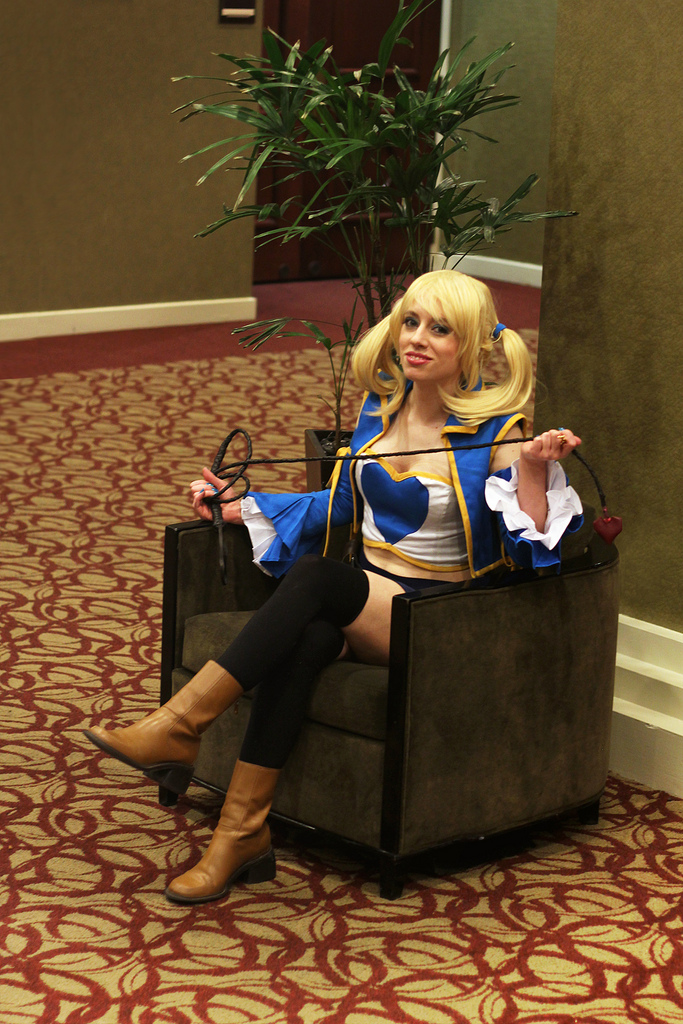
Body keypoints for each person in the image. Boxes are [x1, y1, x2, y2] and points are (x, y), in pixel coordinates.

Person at [84, 270, 583, 905]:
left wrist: (535, 467)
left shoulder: (497, 430)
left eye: (440, 329)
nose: (417, 338)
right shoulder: (379, 410)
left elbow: (533, 544)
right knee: (307, 638)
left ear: (473, 344)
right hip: (369, 603)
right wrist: (239, 508)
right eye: (410, 322)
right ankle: (239, 835)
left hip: (438, 620)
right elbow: (341, 503)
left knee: (318, 578)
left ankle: (181, 725)